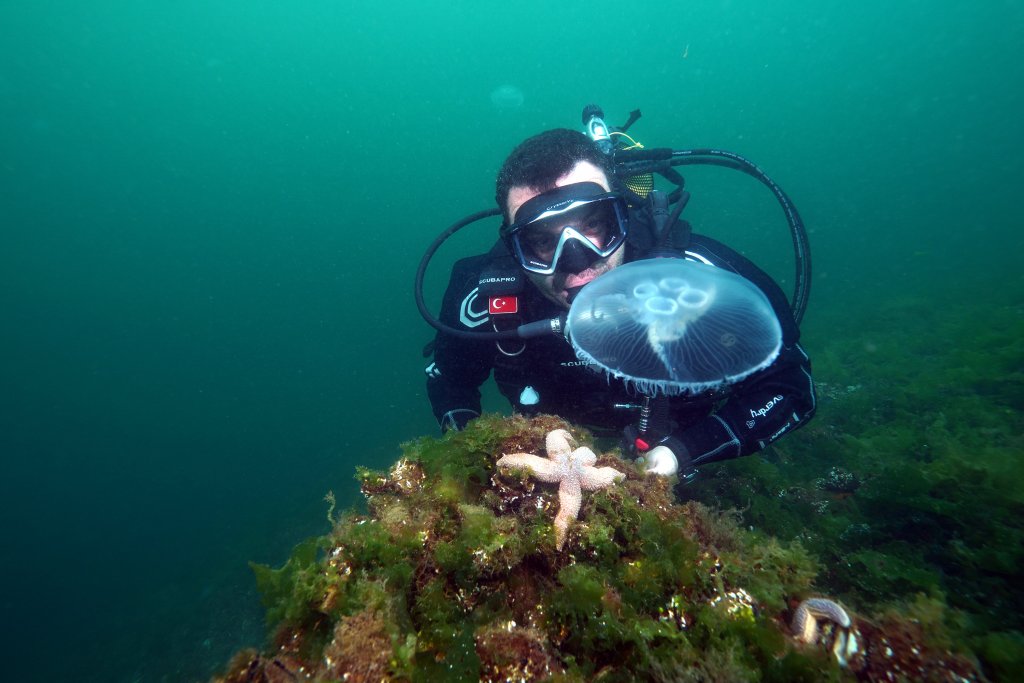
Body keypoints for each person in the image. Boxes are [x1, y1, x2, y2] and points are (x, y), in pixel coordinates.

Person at [424, 128, 815, 481]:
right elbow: (450, 382)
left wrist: (684, 452)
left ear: (623, 216)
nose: (578, 261)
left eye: (593, 225)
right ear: (515, 248)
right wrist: (484, 464)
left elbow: (791, 387)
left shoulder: (698, 281)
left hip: (678, 447)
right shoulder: (487, 298)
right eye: (543, 242)